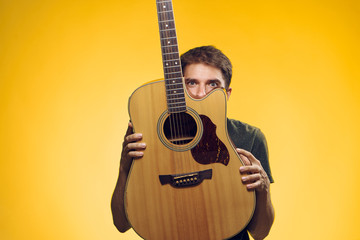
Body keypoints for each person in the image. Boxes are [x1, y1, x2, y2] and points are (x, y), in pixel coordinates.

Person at [111, 46, 275, 240]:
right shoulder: (151, 133)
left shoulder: (250, 137)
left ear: (227, 93)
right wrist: (124, 168)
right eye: (191, 82)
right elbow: (121, 224)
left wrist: (263, 189)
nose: (200, 93)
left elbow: (259, 233)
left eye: (212, 84)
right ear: (176, 89)